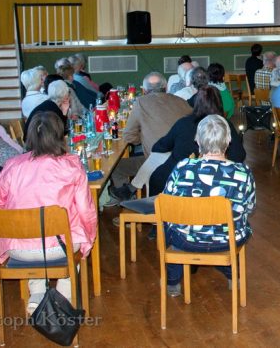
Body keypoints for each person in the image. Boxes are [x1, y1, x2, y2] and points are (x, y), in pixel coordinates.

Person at [0, 111, 97, 314]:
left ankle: (37, 294)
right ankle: (63, 298)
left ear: (29, 136)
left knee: (33, 230)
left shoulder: (12, 165)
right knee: (70, 238)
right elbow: (86, 210)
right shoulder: (71, 164)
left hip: (17, 248)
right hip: (59, 247)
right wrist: (88, 241)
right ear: (60, 135)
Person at [162, 114, 255, 297]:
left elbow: (168, 203)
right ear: (228, 140)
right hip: (227, 240)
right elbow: (249, 207)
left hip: (186, 240)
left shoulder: (182, 168)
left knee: (169, 225)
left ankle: (173, 282)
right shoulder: (243, 173)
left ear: (197, 140)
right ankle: (231, 273)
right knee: (237, 223)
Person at [149, 86, 246, 196]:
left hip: (176, 183)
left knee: (156, 176)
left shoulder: (183, 123)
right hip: (217, 185)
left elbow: (160, 146)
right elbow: (239, 155)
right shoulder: (225, 126)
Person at [109, 72, 192, 200]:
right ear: (166, 88)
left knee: (116, 167)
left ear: (144, 90)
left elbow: (129, 137)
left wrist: (142, 138)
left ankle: (128, 203)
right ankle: (131, 192)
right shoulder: (182, 102)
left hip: (157, 163)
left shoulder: (141, 102)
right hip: (186, 161)